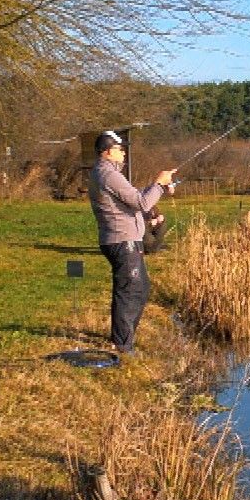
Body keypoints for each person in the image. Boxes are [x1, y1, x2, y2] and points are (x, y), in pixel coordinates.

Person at [87, 131, 176, 353]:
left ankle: (123, 338)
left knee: (140, 288)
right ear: (107, 152)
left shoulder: (107, 173)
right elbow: (142, 203)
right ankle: (122, 345)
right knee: (130, 291)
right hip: (122, 241)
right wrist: (159, 183)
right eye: (119, 149)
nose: (123, 152)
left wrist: (161, 186)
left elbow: (134, 199)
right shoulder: (109, 175)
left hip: (124, 240)